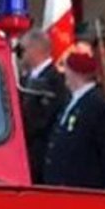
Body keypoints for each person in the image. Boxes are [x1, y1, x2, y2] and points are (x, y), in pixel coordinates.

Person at [41, 51, 105, 189]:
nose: (64, 74)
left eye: (66, 69)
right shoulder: (70, 100)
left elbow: (104, 149)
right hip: (60, 182)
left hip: (81, 184)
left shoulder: (97, 105)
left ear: (75, 72)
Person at [18, 29, 69, 183]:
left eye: (22, 50)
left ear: (34, 49)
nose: (20, 55)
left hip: (41, 156)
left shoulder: (55, 81)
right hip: (24, 156)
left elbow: (43, 119)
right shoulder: (24, 79)